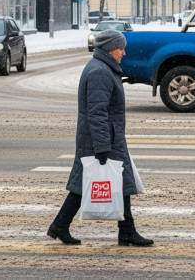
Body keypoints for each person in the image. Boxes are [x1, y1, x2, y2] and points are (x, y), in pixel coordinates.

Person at [47, 29, 153, 247]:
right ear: (109, 48)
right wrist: (102, 145)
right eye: (121, 48)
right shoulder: (100, 72)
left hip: (106, 136)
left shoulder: (103, 67)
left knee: (92, 181)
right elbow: (97, 113)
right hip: (103, 137)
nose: (124, 52)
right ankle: (126, 232)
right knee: (98, 181)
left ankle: (62, 225)